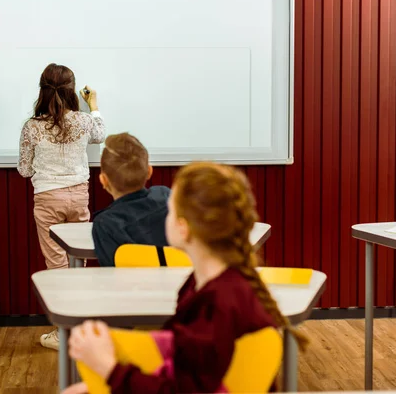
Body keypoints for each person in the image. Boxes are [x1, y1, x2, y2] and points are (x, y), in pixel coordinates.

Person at [63, 162, 309, 393]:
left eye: (170, 210)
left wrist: (108, 370)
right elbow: (179, 368)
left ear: (184, 228)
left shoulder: (216, 304)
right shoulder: (206, 284)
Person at [17, 63, 105, 350]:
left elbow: (24, 170)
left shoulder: (32, 127)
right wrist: (94, 104)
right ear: (71, 91)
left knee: (57, 265)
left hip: (47, 198)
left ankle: (62, 333)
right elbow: (101, 133)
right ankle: (80, 330)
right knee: (78, 261)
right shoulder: (83, 121)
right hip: (78, 195)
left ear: (42, 89)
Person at [92, 133, 170, 266]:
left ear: (103, 180)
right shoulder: (166, 196)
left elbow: (111, 274)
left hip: (131, 286)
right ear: (149, 172)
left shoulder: (105, 224)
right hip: (181, 284)